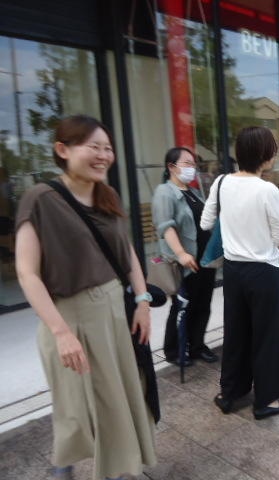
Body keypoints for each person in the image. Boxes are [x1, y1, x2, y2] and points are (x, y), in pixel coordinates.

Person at [14, 115, 156, 480]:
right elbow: (27, 273)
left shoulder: (107, 196)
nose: (103, 155)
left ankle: (119, 469)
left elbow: (127, 253)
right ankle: (65, 461)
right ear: (63, 150)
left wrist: (142, 301)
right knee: (74, 403)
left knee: (117, 397)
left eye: (107, 148)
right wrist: (60, 332)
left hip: (113, 313)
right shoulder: (40, 199)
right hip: (68, 316)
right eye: (93, 146)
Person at [200, 126, 279, 420]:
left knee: (236, 333)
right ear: (265, 155)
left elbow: (205, 223)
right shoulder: (267, 190)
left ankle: (229, 394)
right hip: (263, 271)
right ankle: (267, 401)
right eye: (273, 150)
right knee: (268, 336)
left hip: (233, 271)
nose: (274, 154)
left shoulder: (221, 182)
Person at [152, 147, 217, 367]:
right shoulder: (165, 192)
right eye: (187, 163)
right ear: (171, 166)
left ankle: (197, 345)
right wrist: (180, 254)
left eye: (193, 164)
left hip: (205, 259)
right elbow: (165, 226)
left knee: (203, 304)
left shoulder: (193, 192)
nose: (192, 167)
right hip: (185, 261)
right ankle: (174, 350)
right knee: (182, 306)